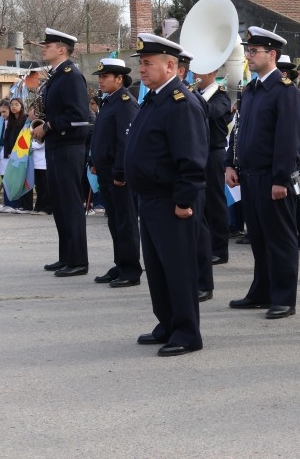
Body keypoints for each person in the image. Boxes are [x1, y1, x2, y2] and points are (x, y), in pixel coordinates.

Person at [126, 33, 208, 356]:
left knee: (178, 269)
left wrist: (184, 201)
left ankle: (187, 332)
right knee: (158, 269)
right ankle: (168, 322)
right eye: (141, 63)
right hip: (150, 198)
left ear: (171, 66)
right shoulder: (154, 99)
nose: (142, 69)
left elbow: (192, 159)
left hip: (172, 201)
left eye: (148, 63)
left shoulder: (181, 103)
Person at [225, 26, 300, 319]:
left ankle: (284, 298)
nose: (248, 55)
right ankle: (261, 291)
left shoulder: (285, 92)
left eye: (253, 51)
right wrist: (230, 163)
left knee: (280, 239)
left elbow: (289, 139)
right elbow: (239, 131)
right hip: (249, 175)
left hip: (272, 177)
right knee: (258, 238)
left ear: (272, 54)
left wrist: (281, 178)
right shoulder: (251, 90)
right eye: (248, 50)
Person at [31, 29, 90, 277]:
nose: (44, 48)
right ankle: (66, 256)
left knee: (70, 203)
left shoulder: (71, 76)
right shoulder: (55, 76)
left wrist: (48, 126)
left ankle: (78, 260)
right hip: (56, 145)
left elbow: (79, 116)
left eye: (48, 45)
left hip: (69, 146)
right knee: (60, 204)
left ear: (62, 49)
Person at [89, 58, 143, 288]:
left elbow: (125, 142)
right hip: (105, 170)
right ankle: (120, 264)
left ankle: (130, 270)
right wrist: (94, 160)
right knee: (115, 221)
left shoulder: (125, 103)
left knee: (125, 221)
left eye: (105, 77)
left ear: (119, 79)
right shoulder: (110, 101)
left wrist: (120, 172)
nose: (100, 81)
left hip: (117, 173)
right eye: (100, 77)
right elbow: (102, 136)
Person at [192, 65, 233, 300]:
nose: (195, 76)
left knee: (215, 202)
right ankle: (206, 247)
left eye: (199, 72)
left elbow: (208, 112)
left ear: (211, 73)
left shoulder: (221, 96)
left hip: (214, 153)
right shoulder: (197, 94)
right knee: (201, 202)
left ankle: (220, 249)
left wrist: (191, 96)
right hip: (199, 153)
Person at [27, 104, 51, 216]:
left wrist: (31, 146)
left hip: (44, 161)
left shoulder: (44, 124)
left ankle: (47, 207)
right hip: (35, 161)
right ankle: (38, 205)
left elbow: (42, 142)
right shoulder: (29, 125)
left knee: (45, 185)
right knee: (39, 186)